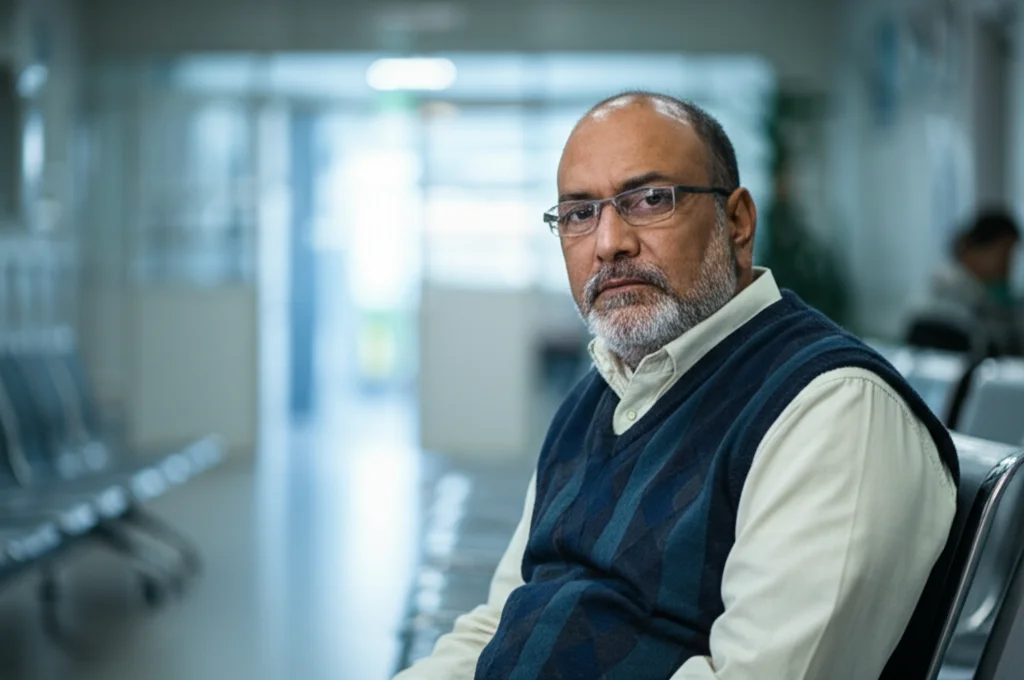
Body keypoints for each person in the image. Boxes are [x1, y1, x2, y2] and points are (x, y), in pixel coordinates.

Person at [395, 92, 958, 680]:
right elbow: (500, 621)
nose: (609, 242)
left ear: (736, 222)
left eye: (648, 200)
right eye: (579, 214)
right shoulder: (602, 393)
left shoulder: (832, 411)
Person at [905, 210, 1022, 356]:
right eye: (1004, 253)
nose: (1008, 264)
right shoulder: (942, 298)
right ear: (974, 249)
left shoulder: (984, 297)